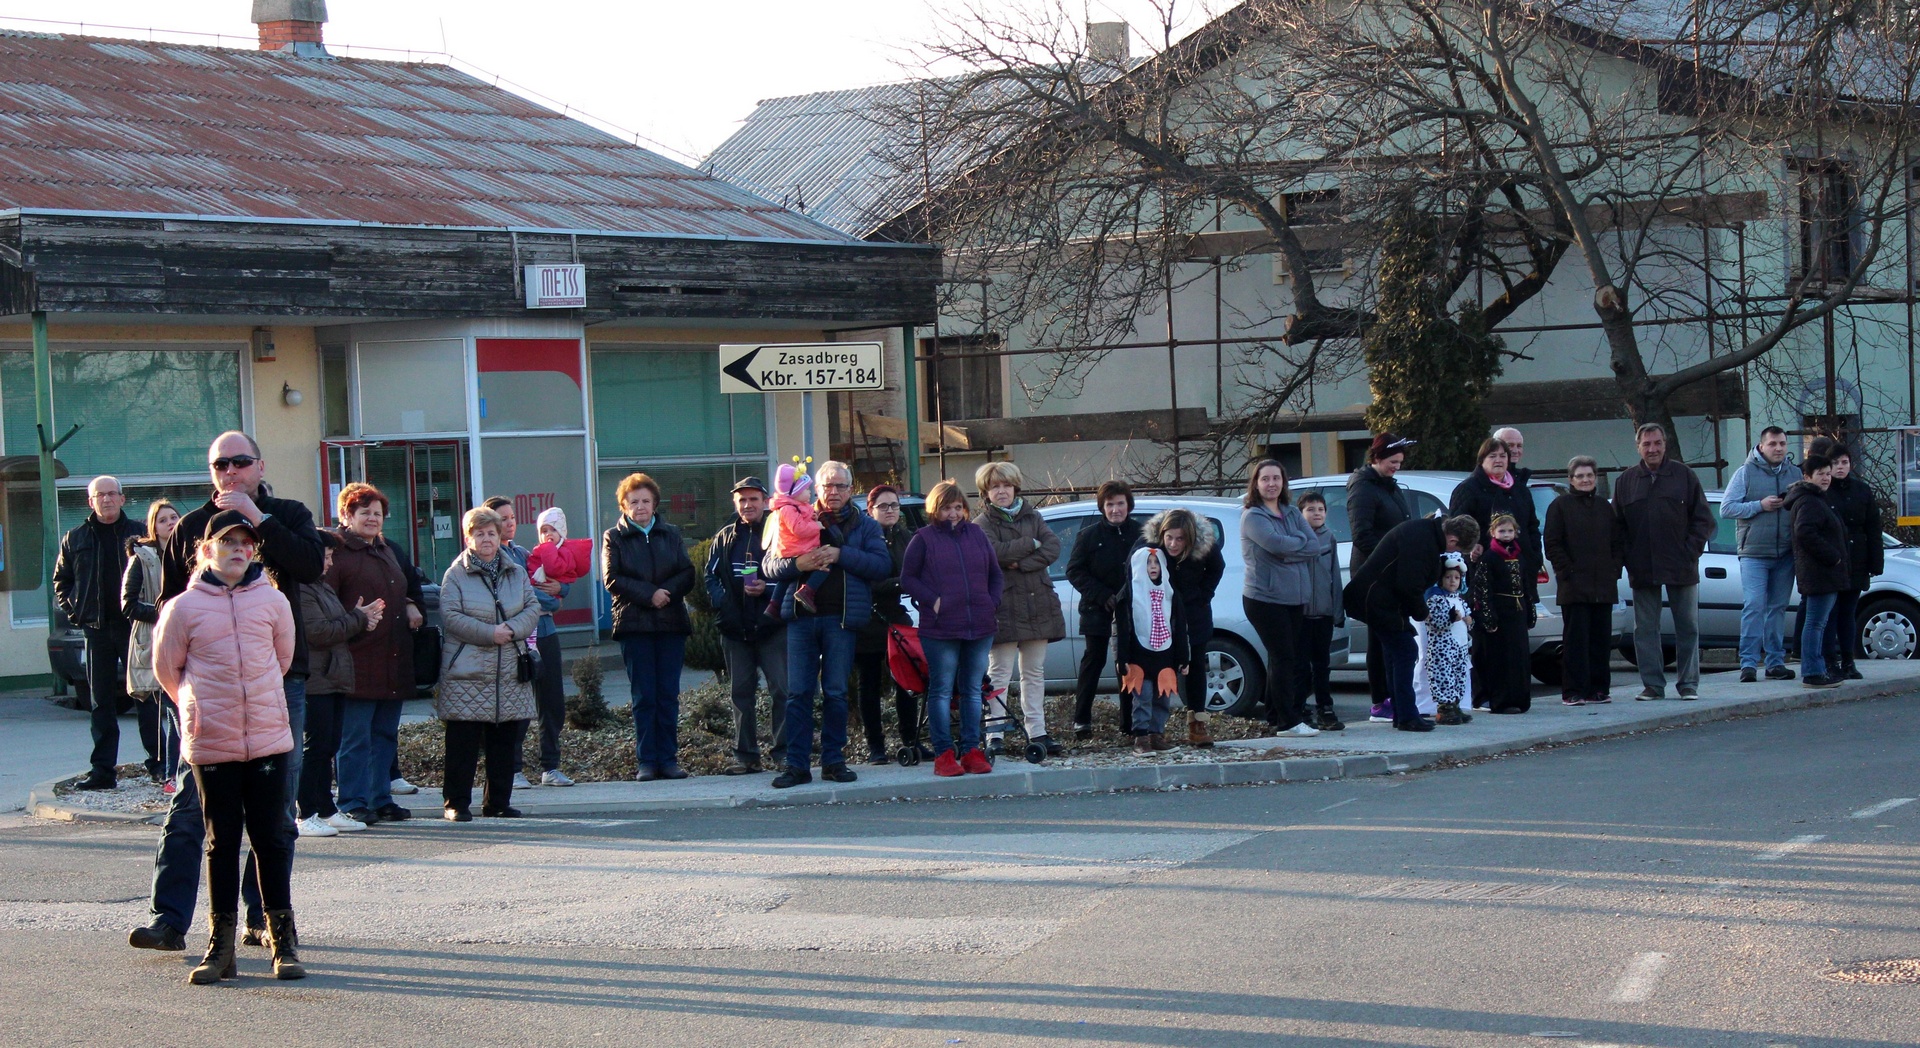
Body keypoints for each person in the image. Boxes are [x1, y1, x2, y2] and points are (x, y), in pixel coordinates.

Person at [128, 431, 324, 957]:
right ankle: (169, 920)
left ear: (260, 466)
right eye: (220, 464)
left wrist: (258, 519)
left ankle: (262, 919)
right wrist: (188, 694)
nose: (230, 472)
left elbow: (309, 566)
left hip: (277, 687)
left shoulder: (289, 515)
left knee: (275, 811)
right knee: (191, 808)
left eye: (240, 462)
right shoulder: (192, 527)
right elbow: (172, 613)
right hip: (208, 696)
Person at [152, 509, 303, 984]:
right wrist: (200, 708)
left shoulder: (273, 601)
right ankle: (220, 948)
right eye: (228, 542)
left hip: (267, 738)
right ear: (206, 550)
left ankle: (283, 942)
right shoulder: (183, 608)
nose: (238, 549)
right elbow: (168, 670)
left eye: (245, 543)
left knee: (271, 838)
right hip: (212, 741)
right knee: (221, 843)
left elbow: (282, 659)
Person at [764, 460, 892, 788]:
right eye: (827, 485)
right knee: (798, 693)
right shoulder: (791, 514)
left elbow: (881, 566)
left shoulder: (865, 525)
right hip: (801, 619)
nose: (833, 491)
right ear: (817, 488)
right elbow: (769, 566)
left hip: (841, 620)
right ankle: (797, 765)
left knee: (835, 693)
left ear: (851, 489)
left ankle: (834, 761)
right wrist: (798, 564)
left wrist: (840, 555)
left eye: (840, 486)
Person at [439, 506, 544, 819]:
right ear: (468, 538)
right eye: (479, 533)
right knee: (462, 744)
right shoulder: (455, 574)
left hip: (509, 668)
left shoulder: (516, 572)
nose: (486, 539)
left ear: (500, 536)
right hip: (468, 670)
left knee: (504, 741)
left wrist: (510, 629)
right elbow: (451, 616)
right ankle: (456, 804)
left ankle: (498, 802)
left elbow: (532, 607)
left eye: (491, 533)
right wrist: (490, 633)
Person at [900, 480, 1003, 776]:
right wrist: (934, 602)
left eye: (958, 507)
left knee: (972, 690)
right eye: (947, 508)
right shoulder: (923, 539)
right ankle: (944, 754)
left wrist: (991, 602)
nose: (954, 513)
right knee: (942, 691)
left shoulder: (977, 535)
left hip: (980, 626)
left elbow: (995, 574)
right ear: (935, 509)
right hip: (940, 629)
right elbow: (908, 578)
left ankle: (971, 750)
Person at [330, 483, 420, 824]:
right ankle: (353, 801)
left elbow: (406, 586)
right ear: (346, 515)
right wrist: (355, 619)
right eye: (364, 512)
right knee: (355, 739)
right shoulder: (337, 553)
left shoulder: (387, 549)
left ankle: (380, 798)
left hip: (392, 660)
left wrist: (410, 604)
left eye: (378, 513)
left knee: (384, 735)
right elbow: (326, 605)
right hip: (356, 661)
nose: (372, 518)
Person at [54, 475, 150, 789]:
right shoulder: (75, 538)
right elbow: (61, 581)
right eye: (100, 495)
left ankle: (159, 765)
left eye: (111, 494)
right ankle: (103, 772)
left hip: (135, 627)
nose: (106, 499)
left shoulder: (140, 534)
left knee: (147, 695)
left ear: (122, 498)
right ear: (90, 501)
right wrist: (76, 612)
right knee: (101, 703)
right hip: (96, 629)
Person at [1345, 513, 1482, 732]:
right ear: (1453, 539)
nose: (1451, 553)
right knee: (1406, 651)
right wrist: (1423, 614)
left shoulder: (1425, 532)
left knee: (1395, 654)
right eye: (1455, 549)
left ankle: (1402, 714)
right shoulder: (1423, 541)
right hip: (1376, 600)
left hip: (1379, 600)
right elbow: (1409, 585)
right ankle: (1407, 716)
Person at [602, 472, 696, 781]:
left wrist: (665, 593)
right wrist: (649, 594)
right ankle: (647, 761)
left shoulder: (671, 533)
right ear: (624, 506)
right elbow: (612, 578)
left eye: (645, 501)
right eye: (634, 502)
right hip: (635, 625)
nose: (640, 507)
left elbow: (687, 572)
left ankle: (668, 760)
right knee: (644, 697)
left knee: (667, 695)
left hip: (670, 624)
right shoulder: (614, 537)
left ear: (655, 503)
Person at [1614, 423, 1715, 701]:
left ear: (1665, 444)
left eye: (1657, 443)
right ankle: (1653, 685)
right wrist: (1629, 557)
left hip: (1681, 565)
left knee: (1688, 627)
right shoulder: (1626, 481)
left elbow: (1704, 520)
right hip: (1643, 566)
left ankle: (1689, 684)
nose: (1653, 449)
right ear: (1638, 447)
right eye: (1646, 444)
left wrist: (1689, 551)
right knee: (1645, 629)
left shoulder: (1684, 476)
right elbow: (1617, 527)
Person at [974, 461, 1066, 758]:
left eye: (1006, 485)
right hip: (1003, 607)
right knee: (999, 674)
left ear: (1015, 488)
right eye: (995, 487)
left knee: (1034, 673)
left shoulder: (1033, 515)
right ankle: (994, 734)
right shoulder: (982, 524)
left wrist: (1020, 563)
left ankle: (1037, 732)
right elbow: (994, 553)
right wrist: (1030, 543)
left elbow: (1052, 547)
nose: (1001, 491)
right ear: (986, 492)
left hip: (1038, 603)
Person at [481, 496, 570, 789]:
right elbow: (523, 595)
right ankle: (513, 768)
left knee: (552, 702)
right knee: (517, 705)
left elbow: (560, 578)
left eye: (512, 518)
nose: (509, 523)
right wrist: (551, 600)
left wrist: (560, 588)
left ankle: (550, 766)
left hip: (545, 633)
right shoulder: (492, 558)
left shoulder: (524, 552)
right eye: (502, 518)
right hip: (516, 638)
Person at [706, 476, 790, 774]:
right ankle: (746, 757)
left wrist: (767, 589)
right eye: (742, 500)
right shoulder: (724, 537)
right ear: (735, 503)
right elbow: (710, 576)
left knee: (782, 691)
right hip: (735, 630)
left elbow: (790, 573)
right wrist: (724, 602)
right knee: (740, 694)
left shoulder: (780, 532)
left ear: (765, 502)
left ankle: (783, 753)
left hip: (772, 627)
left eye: (753, 499)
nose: (747, 504)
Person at [295, 532, 372, 836]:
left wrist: (362, 621)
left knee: (329, 746)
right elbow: (319, 632)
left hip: (333, 676)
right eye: (325, 556)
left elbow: (339, 629)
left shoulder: (321, 586)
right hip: (315, 680)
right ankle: (305, 812)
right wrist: (358, 618)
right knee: (314, 747)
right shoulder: (301, 588)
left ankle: (326, 809)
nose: (329, 563)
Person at [1240, 459, 1325, 737]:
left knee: (1284, 659)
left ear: (1283, 482)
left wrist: (1289, 551)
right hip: (1264, 599)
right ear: (1256, 484)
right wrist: (1295, 545)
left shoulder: (1291, 512)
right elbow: (1275, 544)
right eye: (1265, 479)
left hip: (1294, 599)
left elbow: (1314, 545)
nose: (1271, 484)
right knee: (1284, 658)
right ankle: (1289, 722)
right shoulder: (1253, 516)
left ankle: (1274, 716)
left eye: (1276, 478)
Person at [1142, 507, 1229, 743]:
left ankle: (1197, 723)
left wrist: (1204, 595)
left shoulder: (1205, 546)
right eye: (1169, 537)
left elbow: (1217, 568)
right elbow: (1135, 569)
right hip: (1161, 614)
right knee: (1160, 667)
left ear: (1189, 538)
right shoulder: (1150, 546)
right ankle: (1153, 728)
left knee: (1195, 667)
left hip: (1194, 613)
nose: (1173, 544)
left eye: (1180, 539)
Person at [851, 483, 923, 764]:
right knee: (869, 684)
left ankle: (911, 741)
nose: (890, 510)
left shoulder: (906, 536)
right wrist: (902, 583)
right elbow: (867, 580)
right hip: (868, 617)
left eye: (894, 505)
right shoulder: (862, 537)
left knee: (908, 680)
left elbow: (918, 571)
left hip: (896, 616)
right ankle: (875, 746)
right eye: (883, 506)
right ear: (870, 510)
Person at [1543, 456, 1623, 706]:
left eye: (1589, 475)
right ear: (1571, 480)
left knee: (1600, 640)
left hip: (1603, 585)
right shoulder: (1560, 506)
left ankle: (1598, 689)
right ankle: (1573, 691)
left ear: (1595, 478)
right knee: (1576, 641)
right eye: (1580, 476)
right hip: (1574, 586)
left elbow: (1617, 542)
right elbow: (1552, 543)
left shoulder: (1604, 507)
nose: (1585, 480)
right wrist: (1567, 571)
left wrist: (1614, 569)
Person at [1347, 433, 1416, 722]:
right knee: (1379, 639)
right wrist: (1389, 559)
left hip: (1391, 572)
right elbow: (1362, 534)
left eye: (1399, 462)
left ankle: (1393, 697)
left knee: (1389, 637)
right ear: (1376, 458)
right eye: (1392, 462)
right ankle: (1380, 701)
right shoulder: (1363, 487)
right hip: (1374, 574)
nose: (1396, 467)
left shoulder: (1390, 486)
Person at [1066, 480, 1143, 737]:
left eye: (1120, 503)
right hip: (1097, 609)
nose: (1115, 509)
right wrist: (1101, 595)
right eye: (1110, 504)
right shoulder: (1088, 536)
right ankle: (1081, 721)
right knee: (1094, 661)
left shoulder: (1141, 534)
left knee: (1128, 664)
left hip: (1132, 609)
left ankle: (1129, 723)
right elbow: (1074, 571)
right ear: (1102, 507)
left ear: (1128, 505)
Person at [1721, 426, 1797, 683]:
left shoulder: (1795, 474)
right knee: (1754, 606)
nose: (1778, 448)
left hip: (1785, 553)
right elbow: (1726, 508)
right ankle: (1748, 664)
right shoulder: (1745, 472)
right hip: (1754, 553)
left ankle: (1775, 662)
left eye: (1782, 443)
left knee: (1778, 608)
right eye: (1773, 444)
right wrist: (1759, 506)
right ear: (1761, 446)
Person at [120, 498, 180, 788]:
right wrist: (165, 613)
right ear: (153, 527)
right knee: (175, 711)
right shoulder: (141, 558)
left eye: (174, 518)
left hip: (188, 641)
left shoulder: (192, 553)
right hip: (154, 642)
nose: (170, 523)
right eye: (163, 519)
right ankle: (172, 774)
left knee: (180, 712)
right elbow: (128, 604)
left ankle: (174, 773)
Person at [1447, 435, 1543, 608]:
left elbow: (1532, 526)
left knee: (1521, 622)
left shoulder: (1520, 489)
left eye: (1502, 456)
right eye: (1492, 456)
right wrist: (1472, 548)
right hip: (1485, 574)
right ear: (1482, 460)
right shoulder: (1469, 489)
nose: (1498, 460)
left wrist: (1534, 555)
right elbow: (1456, 528)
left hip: (1521, 574)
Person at [1814, 439, 1882, 680]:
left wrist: (1876, 562)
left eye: (1844, 462)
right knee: (1830, 613)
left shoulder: (1862, 490)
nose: (1840, 467)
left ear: (1851, 465)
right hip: (1832, 559)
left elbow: (1873, 527)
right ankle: (1830, 661)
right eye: (1835, 463)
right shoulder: (1822, 492)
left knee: (1848, 613)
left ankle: (1848, 661)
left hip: (1857, 558)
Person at [1116, 544, 1187, 751]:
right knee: (1143, 696)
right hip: (1139, 655)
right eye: (1148, 563)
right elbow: (1122, 629)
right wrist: (1122, 658)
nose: (1153, 566)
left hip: (1165, 654)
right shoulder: (1129, 595)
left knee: (1163, 697)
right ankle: (1141, 737)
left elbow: (1179, 627)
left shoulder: (1170, 593)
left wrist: (1183, 657)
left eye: (1156, 562)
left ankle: (1157, 734)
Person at [1785, 455, 1848, 688]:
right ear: (1807, 476)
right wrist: (1833, 557)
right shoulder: (1809, 501)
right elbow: (1805, 532)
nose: (1826, 478)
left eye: (1828, 473)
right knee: (1815, 623)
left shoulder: (1816, 499)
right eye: (1820, 473)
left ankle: (1817, 669)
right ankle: (1812, 672)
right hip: (1819, 572)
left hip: (1822, 572)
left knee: (1817, 622)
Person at [1468, 513, 1533, 714]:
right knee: (1501, 658)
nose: (1506, 535)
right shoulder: (1489, 558)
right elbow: (1482, 589)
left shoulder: (1519, 556)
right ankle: (1501, 700)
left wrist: (1529, 611)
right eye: (1502, 531)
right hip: (1500, 613)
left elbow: (1525, 585)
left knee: (1519, 656)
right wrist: (1488, 617)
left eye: (1510, 531)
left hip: (1517, 613)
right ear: (1493, 532)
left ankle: (1520, 698)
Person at [1295, 492, 1344, 732]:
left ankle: (1325, 708)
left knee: (1322, 664)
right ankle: (1301, 708)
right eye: (1310, 509)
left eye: (1320, 509)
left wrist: (1337, 611)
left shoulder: (1329, 537)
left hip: (1323, 613)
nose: (1317, 513)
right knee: (1301, 666)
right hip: (1301, 614)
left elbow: (1335, 575)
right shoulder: (1295, 538)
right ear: (1300, 513)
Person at [767, 459, 830, 612]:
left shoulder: (796, 506)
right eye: (806, 489)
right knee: (825, 562)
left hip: (794, 548)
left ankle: (774, 605)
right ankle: (808, 590)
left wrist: (812, 518)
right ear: (795, 493)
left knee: (787, 578)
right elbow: (799, 529)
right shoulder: (788, 509)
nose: (810, 493)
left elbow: (801, 520)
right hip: (797, 548)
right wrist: (817, 526)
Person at [1422, 554, 1472, 719]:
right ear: (1441, 579)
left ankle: (1455, 705)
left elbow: (1468, 617)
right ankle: (1444, 708)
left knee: (1459, 675)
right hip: (1442, 649)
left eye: (1456, 578)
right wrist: (1450, 618)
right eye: (1448, 577)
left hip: (1460, 647)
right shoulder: (1436, 598)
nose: (1452, 581)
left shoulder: (1459, 599)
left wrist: (1469, 620)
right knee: (1443, 676)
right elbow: (1434, 621)